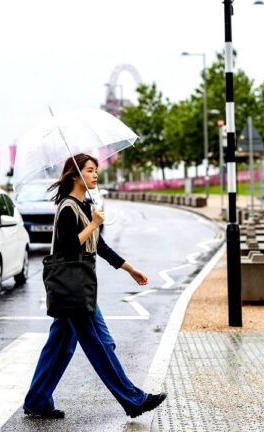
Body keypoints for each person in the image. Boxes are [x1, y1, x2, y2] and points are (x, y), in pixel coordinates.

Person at [23, 153, 167, 420]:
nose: (95, 175)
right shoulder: (67, 207)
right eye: (89, 170)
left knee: (61, 346)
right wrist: (94, 223)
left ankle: (37, 400)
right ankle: (134, 400)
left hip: (78, 289)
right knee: (100, 344)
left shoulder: (84, 204)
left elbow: (99, 246)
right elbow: (68, 246)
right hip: (73, 288)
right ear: (75, 176)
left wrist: (129, 268)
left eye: (95, 170)